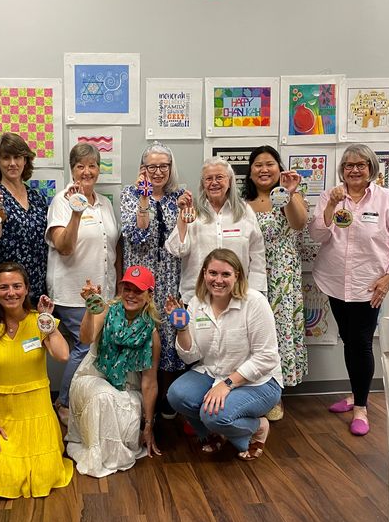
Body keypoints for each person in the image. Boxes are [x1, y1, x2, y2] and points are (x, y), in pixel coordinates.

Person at [309, 143, 389, 436]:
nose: (354, 170)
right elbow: (316, 235)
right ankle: (356, 393)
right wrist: (330, 205)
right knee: (349, 340)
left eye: (361, 165)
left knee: (362, 343)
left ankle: (361, 407)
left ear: (371, 170)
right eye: (349, 165)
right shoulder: (331, 196)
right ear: (342, 170)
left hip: (370, 286)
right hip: (334, 282)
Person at [0, 262, 73, 499]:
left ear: (26, 290)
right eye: (4, 287)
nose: (11, 292)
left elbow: (63, 355)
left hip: (37, 415)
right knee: (7, 478)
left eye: (16, 286)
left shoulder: (39, 321)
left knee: (44, 476)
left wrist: (47, 320)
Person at [167, 249, 282, 460]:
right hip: (213, 372)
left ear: (237, 275)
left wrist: (227, 384)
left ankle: (257, 427)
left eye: (225, 274)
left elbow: (266, 358)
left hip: (258, 381)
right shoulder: (196, 303)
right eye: (212, 273)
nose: (218, 280)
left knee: (213, 415)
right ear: (204, 274)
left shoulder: (254, 302)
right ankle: (213, 434)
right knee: (177, 396)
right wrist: (181, 329)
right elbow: (190, 357)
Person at [46, 142, 121, 426]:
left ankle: (83, 400)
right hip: (72, 292)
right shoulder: (61, 202)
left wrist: (118, 285)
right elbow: (64, 247)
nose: (86, 172)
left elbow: (112, 246)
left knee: (95, 346)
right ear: (72, 169)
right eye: (80, 166)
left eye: (92, 166)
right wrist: (76, 211)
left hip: (104, 291)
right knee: (84, 346)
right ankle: (63, 402)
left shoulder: (104, 203)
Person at [67, 265, 161, 477]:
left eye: (137, 290)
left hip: (128, 387)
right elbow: (85, 338)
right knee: (103, 397)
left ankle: (108, 450)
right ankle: (98, 455)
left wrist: (148, 426)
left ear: (149, 295)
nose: (130, 295)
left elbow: (149, 382)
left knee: (126, 420)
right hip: (93, 376)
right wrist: (90, 311)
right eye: (127, 288)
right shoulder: (107, 310)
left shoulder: (151, 333)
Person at [243, 145, 308, 417]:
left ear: (279, 168)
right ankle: (253, 390)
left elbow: (299, 223)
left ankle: (275, 394)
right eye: (258, 165)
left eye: (269, 163)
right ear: (250, 172)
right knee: (253, 335)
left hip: (282, 277)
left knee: (279, 334)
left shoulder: (289, 198)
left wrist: (290, 194)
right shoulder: (243, 204)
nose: (264, 169)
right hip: (251, 275)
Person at [120, 142, 184, 415]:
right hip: (141, 278)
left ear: (170, 168)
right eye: (151, 166)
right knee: (142, 332)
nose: (157, 172)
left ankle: (167, 400)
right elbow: (137, 236)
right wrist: (144, 198)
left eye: (163, 166)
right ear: (142, 169)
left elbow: (185, 240)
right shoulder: (129, 196)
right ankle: (139, 401)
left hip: (170, 276)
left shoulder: (178, 197)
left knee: (169, 332)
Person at [165, 159, 266, 304]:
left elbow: (257, 256)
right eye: (208, 179)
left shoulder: (245, 212)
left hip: (237, 296)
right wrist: (182, 216)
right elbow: (178, 250)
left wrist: (255, 295)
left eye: (219, 177)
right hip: (197, 297)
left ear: (230, 181)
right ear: (202, 184)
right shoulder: (192, 212)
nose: (214, 183)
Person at [0, 132, 47, 309]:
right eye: (6, 158)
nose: (13, 163)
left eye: (17, 157)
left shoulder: (36, 198)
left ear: (25, 160)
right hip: (2, 291)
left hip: (33, 287)